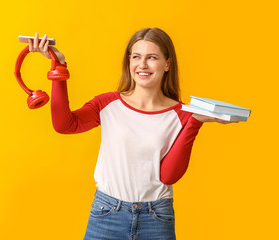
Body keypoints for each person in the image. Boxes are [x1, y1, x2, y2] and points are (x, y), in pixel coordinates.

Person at [28, 28, 236, 240]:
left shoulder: (182, 114)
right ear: (129, 61)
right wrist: (58, 68)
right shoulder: (108, 103)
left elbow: (169, 176)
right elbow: (65, 125)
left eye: (152, 57)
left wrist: (195, 123)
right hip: (106, 213)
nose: (142, 65)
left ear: (167, 64)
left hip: (157, 218)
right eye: (136, 57)